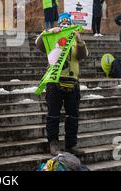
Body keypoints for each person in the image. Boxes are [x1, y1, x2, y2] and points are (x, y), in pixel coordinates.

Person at [35, 13, 89, 156]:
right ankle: (53, 144)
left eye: (67, 22)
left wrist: (80, 41)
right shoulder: (53, 37)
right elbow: (39, 44)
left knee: (73, 117)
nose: (65, 25)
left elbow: (83, 55)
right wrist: (48, 32)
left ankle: (71, 145)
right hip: (55, 83)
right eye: (62, 23)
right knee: (53, 115)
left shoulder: (75, 38)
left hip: (73, 83)